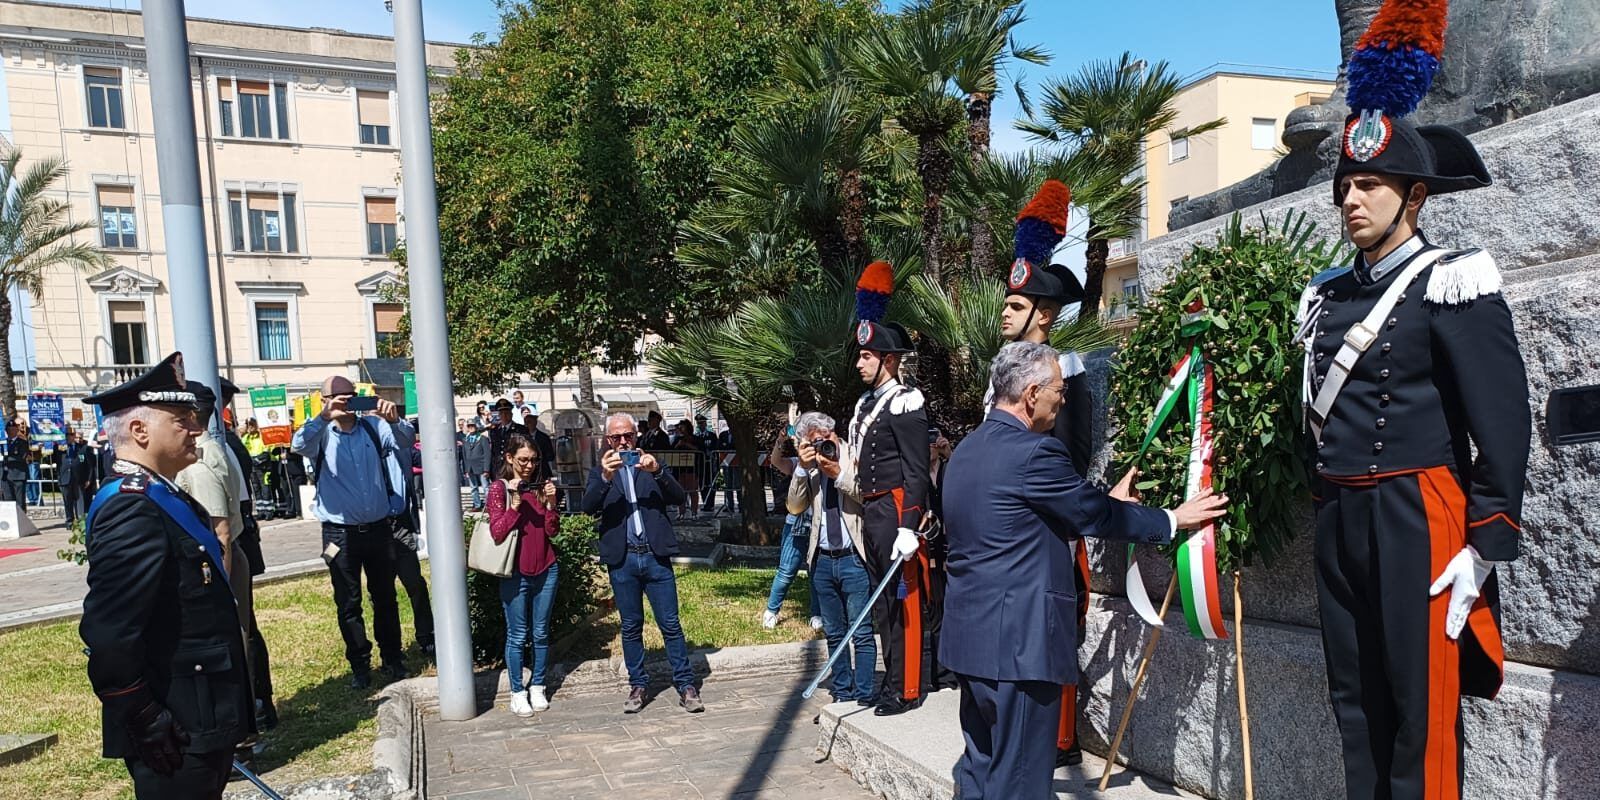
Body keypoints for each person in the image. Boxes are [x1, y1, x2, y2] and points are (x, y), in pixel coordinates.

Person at [1296, 7, 1529, 797]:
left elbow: (1501, 421)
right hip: (1341, 516)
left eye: (1371, 186)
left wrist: (1486, 540)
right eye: (1346, 187)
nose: (1352, 201)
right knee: (1354, 700)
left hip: (1421, 516)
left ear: (1416, 196)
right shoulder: (1324, 297)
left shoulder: (1452, 282)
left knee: (1421, 708)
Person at [941, 341, 1228, 799]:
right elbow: (1094, 516)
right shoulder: (1034, 454)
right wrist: (1172, 519)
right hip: (1019, 647)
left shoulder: (968, 451)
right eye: (1059, 389)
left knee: (979, 771)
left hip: (972, 642)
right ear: (1032, 393)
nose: (1064, 398)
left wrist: (1104, 503)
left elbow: (1022, 525)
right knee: (1019, 783)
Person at [78, 353, 254, 799]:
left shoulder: (163, 495)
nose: (196, 428)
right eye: (181, 420)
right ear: (139, 431)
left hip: (200, 710)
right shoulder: (131, 507)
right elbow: (111, 631)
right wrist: (140, 715)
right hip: (174, 724)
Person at [989, 178, 1097, 766]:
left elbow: (1074, 452)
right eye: (1007, 303)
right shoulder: (999, 372)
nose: (1004, 313)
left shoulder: (1069, 370)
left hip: (1045, 521)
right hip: (1003, 524)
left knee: (1052, 631)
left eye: (1015, 306)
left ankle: (1059, 739)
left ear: (1044, 316)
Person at [291, 375, 416, 689]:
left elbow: (406, 440)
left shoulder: (374, 428)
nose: (347, 403)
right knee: (348, 601)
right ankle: (360, 665)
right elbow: (298, 444)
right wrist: (323, 417)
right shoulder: (320, 434)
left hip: (377, 529)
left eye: (351, 397)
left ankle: (393, 658)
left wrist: (396, 419)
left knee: (385, 596)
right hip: (338, 533)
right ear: (326, 401)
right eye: (339, 398)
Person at [848, 260, 932, 717]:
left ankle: (908, 687)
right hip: (873, 512)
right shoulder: (866, 404)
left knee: (906, 600)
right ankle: (891, 680)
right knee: (883, 604)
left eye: (867, 356)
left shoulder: (905, 401)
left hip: (898, 510)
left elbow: (917, 471)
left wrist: (910, 524)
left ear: (890, 360)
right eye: (859, 355)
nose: (859, 362)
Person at [579, 413, 704, 714]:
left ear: (637, 436)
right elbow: (587, 507)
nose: (623, 442)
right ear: (607, 440)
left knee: (670, 624)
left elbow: (678, 498)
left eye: (628, 436)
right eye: (616, 437)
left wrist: (659, 471)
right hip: (623, 559)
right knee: (632, 625)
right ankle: (638, 684)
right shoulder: (601, 471)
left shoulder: (651, 465)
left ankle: (686, 685)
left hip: (654, 556)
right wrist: (606, 479)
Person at [173, 379, 259, 770]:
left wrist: (218, 594)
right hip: (226, 561)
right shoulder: (215, 450)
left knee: (229, 651)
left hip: (222, 566)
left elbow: (220, 533)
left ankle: (238, 742)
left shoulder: (203, 462)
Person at [787, 412, 875, 703]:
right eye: (813, 443)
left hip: (853, 557)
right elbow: (795, 506)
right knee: (834, 633)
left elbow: (869, 497)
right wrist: (802, 467)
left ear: (833, 433)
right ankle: (842, 692)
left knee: (861, 631)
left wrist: (838, 473)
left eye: (824, 441)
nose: (821, 447)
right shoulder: (810, 467)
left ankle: (864, 693)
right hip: (822, 560)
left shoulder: (855, 455)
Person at [487, 433, 561, 716]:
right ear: (509, 458)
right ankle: (517, 691)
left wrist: (553, 504)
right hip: (514, 571)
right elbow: (497, 531)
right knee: (517, 634)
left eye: (533, 460)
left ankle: (538, 686)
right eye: (522, 460)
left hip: (546, 567)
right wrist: (516, 503)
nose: (529, 466)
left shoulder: (541, 487)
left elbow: (552, 530)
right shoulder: (499, 489)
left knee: (541, 633)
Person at [762, 432, 822, 630]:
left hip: (819, 525)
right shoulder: (797, 463)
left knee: (817, 572)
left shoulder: (827, 463)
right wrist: (780, 440)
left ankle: (817, 614)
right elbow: (776, 461)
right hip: (796, 524)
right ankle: (771, 611)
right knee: (787, 570)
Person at [392, 429, 436, 656]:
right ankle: (391, 649)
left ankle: (426, 636)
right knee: (381, 592)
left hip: (402, 524)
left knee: (415, 583)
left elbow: (431, 457)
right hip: (377, 525)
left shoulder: (403, 448)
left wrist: (399, 425)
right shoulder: (367, 449)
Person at [58, 428, 97, 526]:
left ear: (74, 436)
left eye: (70, 435)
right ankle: (69, 521)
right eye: (66, 435)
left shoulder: (82, 448)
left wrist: (88, 478)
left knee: (79, 500)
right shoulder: (60, 448)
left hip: (78, 478)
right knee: (67, 500)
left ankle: (80, 520)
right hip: (65, 477)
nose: (68, 437)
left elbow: (89, 464)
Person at [669, 420, 702, 519]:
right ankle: (681, 512)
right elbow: (671, 450)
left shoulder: (695, 439)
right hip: (679, 469)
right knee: (681, 491)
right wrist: (678, 445)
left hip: (692, 469)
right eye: (679, 427)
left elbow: (700, 450)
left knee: (692, 491)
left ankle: (694, 512)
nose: (680, 429)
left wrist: (687, 445)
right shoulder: (677, 439)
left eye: (682, 427)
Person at [488, 399, 529, 470]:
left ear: (511, 414)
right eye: (501, 413)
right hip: (498, 467)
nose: (504, 416)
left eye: (506, 413)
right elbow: (494, 451)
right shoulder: (494, 431)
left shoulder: (521, 429)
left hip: (514, 466)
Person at [462, 420, 491, 511]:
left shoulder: (482, 438)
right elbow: (464, 455)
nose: (471, 427)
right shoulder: (465, 439)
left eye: (473, 425)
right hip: (470, 467)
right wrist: (466, 469)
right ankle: (477, 505)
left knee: (486, 487)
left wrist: (486, 469)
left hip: (481, 467)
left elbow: (487, 454)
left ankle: (488, 505)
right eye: (469, 426)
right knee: (473, 488)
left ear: (476, 426)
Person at [3, 421, 29, 508]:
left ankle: (21, 520)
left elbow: (21, 457)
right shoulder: (3, 443)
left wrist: (5, 458)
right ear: (6, 431)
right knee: (8, 500)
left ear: (17, 430)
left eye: (13, 429)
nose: (11, 431)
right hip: (5, 476)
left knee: (20, 501)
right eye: (9, 430)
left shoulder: (23, 443)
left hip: (18, 474)